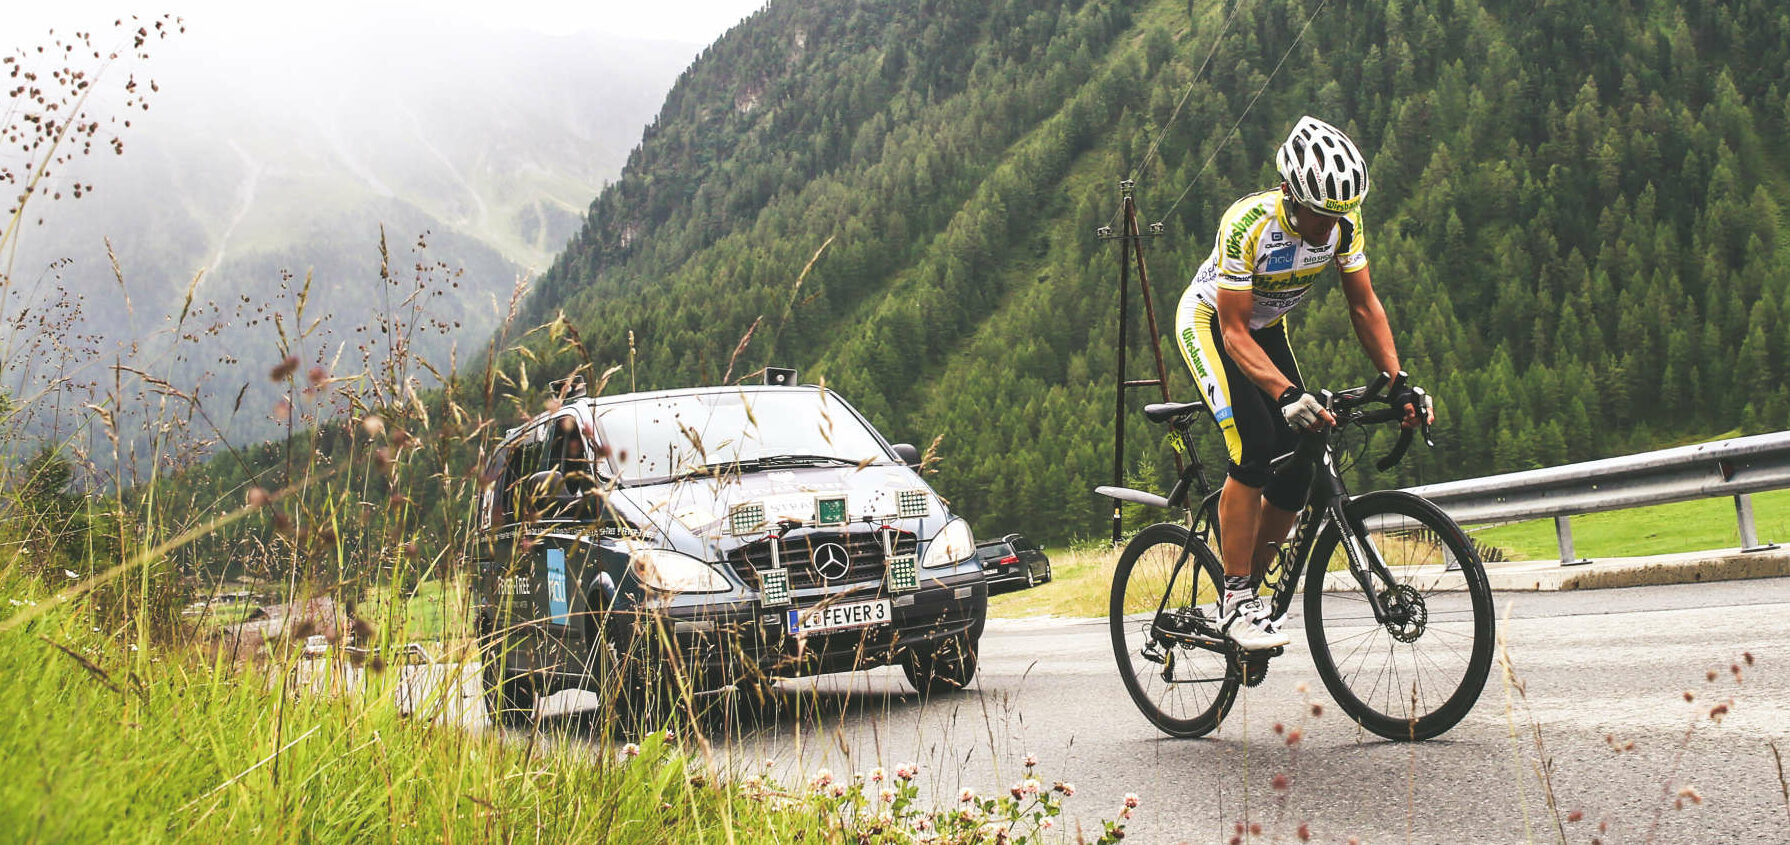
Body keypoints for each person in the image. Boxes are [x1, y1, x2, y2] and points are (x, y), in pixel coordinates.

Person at [1174, 115, 1434, 651]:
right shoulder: (1248, 224)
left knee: (1305, 448)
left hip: (1267, 328)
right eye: (1319, 216)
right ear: (1292, 194)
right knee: (1254, 445)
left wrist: (1397, 380)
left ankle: (1254, 582)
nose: (1329, 228)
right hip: (1213, 326)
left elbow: (1363, 304)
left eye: (1338, 215)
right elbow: (1233, 332)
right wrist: (1286, 394)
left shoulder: (1344, 221)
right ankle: (1234, 597)